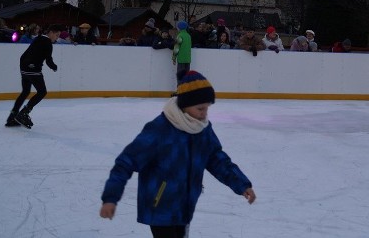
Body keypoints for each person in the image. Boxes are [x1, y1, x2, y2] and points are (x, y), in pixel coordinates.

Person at [99, 71, 256, 237]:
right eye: (200, 108)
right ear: (184, 105)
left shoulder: (202, 129)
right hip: (159, 206)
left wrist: (241, 184)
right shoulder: (160, 129)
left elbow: (217, 159)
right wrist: (111, 197)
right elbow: (126, 162)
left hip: (185, 204)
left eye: (207, 108)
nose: (204, 114)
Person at [6, 24, 63, 129]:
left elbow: (25, 54)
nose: (57, 37)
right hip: (33, 70)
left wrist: (24, 66)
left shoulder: (38, 38)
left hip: (24, 68)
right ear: (50, 32)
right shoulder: (47, 42)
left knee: (25, 92)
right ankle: (23, 113)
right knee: (42, 92)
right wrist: (54, 67)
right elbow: (48, 60)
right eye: (56, 35)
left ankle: (11, 118)